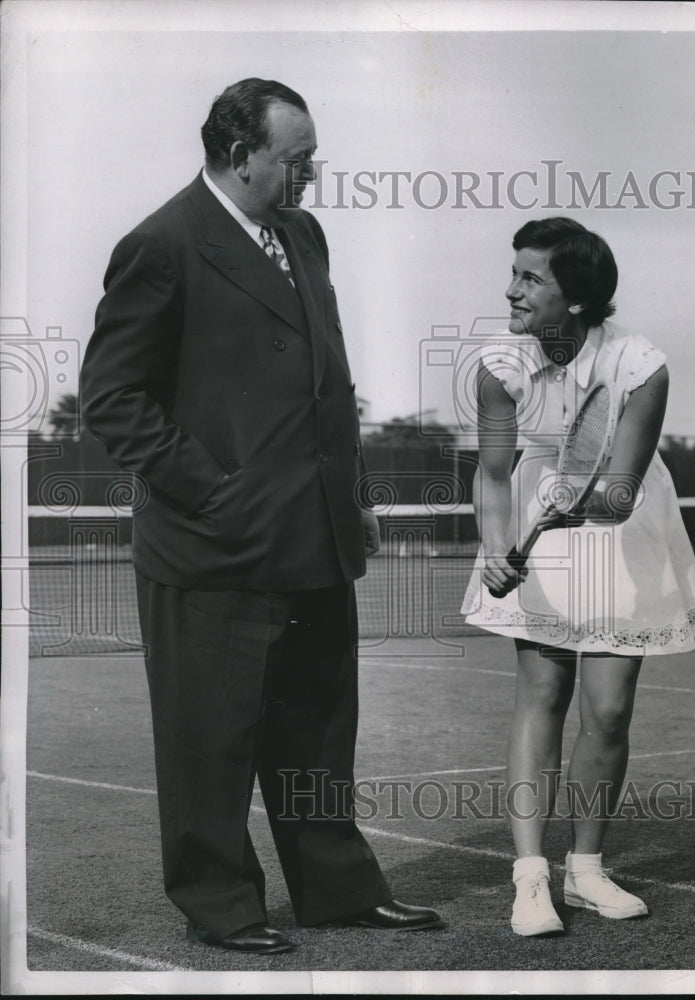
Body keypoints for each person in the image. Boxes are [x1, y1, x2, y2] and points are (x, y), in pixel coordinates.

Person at [80, 78, 442, 954]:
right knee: (211, 739)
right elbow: (111, 397)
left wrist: (352, 497)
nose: (312, 174)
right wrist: (213, 489)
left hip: (313, 533)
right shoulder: (161, 245)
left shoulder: (302, 233)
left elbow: (330, 382)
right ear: (241, 157)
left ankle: (338, 889)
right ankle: (222, 906)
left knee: (318, 728)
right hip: (212, 544)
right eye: (298, 159)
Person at [460, 217, 695, 937]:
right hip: (538, 511)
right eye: (514, 272)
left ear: (574, 298)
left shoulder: (641, 365)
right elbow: (492, 473)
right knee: (543, 690)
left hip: (618, 525)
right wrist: (496, 544)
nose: (510, 289)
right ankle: (531, 877)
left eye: (529, 278)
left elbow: (620, 491)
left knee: (608, 709)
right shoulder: (498, 368)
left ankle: (587, 870)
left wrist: (580, 503)